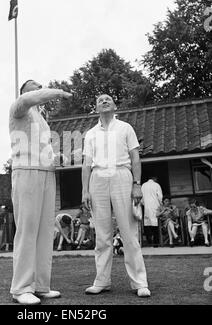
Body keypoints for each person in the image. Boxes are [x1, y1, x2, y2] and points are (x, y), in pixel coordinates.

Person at [9, 80, 72, 305]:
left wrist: (58, 159)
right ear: (24, 92)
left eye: (40, 86)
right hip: (26, 172)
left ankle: (41, 286)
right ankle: (21, 288)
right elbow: (29, 99)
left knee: (45, 230)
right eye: (34, 86)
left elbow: (44, 150)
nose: (38, 88)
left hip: (47, 173)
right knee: (27, 229)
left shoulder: (42, 120)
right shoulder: (19, 107)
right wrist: (56, 92)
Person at [82, 94, 150, 298]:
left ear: (114, 105)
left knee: (129, 233)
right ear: (96, 108)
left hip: (122, 175)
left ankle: (139, 282)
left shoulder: (125, 128)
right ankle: (102, 281)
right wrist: (85, 190)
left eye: (108, 99)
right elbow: (86, 164)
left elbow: (135, 157)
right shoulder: (90, 133)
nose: (104, 101)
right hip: (98, 178)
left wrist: (137, 184)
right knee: (102, 235)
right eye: (100, 100)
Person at [141, 177, 163, 247]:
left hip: (147, 207)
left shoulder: (143, 185)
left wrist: (144, 204)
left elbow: (141, 197)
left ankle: (149, 242)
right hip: (155, 206)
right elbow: (160, 196)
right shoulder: (156, 185)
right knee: (155, 224)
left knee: (147, 224)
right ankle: (156, 243)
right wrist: (160, 204)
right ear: (155, 180)